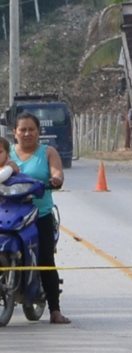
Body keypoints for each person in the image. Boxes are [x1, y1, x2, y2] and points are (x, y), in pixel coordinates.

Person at [10, 112, 69, 324]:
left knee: (45, 259)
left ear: (38, 132)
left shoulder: (47, 152)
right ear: (14, 133)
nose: (27, 133)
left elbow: (57, 172)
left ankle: (55, 310)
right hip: (10, 214)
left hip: (39, 215)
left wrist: (55, 179)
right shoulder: (6, 152)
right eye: (22, 129)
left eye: (31, 129)